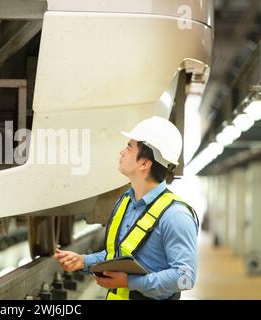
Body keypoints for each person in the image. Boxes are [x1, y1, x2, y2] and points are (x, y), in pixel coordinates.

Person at [54, 116, 199, 300]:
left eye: (129, 147)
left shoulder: (175, 216)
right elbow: (117, 256)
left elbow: (186, 278)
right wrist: (83, 261)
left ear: (145, 163)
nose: (122, 152)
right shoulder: (125, 203)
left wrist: (130, 282)